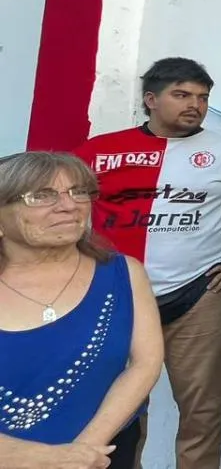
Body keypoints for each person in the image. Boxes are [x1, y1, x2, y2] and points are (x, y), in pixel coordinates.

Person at [72, 57, 221, 469]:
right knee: (118, 409)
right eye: (182, 95)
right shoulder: (99, 151)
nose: (195, 105)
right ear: (151, 100)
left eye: (203, 97)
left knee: (201, 411)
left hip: (200, 295)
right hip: (118, 294)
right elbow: (56, 201)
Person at [0, 152, 163, 469]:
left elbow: (145, 364)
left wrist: (85, 451)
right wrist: (46, 459)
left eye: (78, 192)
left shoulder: (124, 274)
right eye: (42, 196)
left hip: (99, 457)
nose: (69, 205)